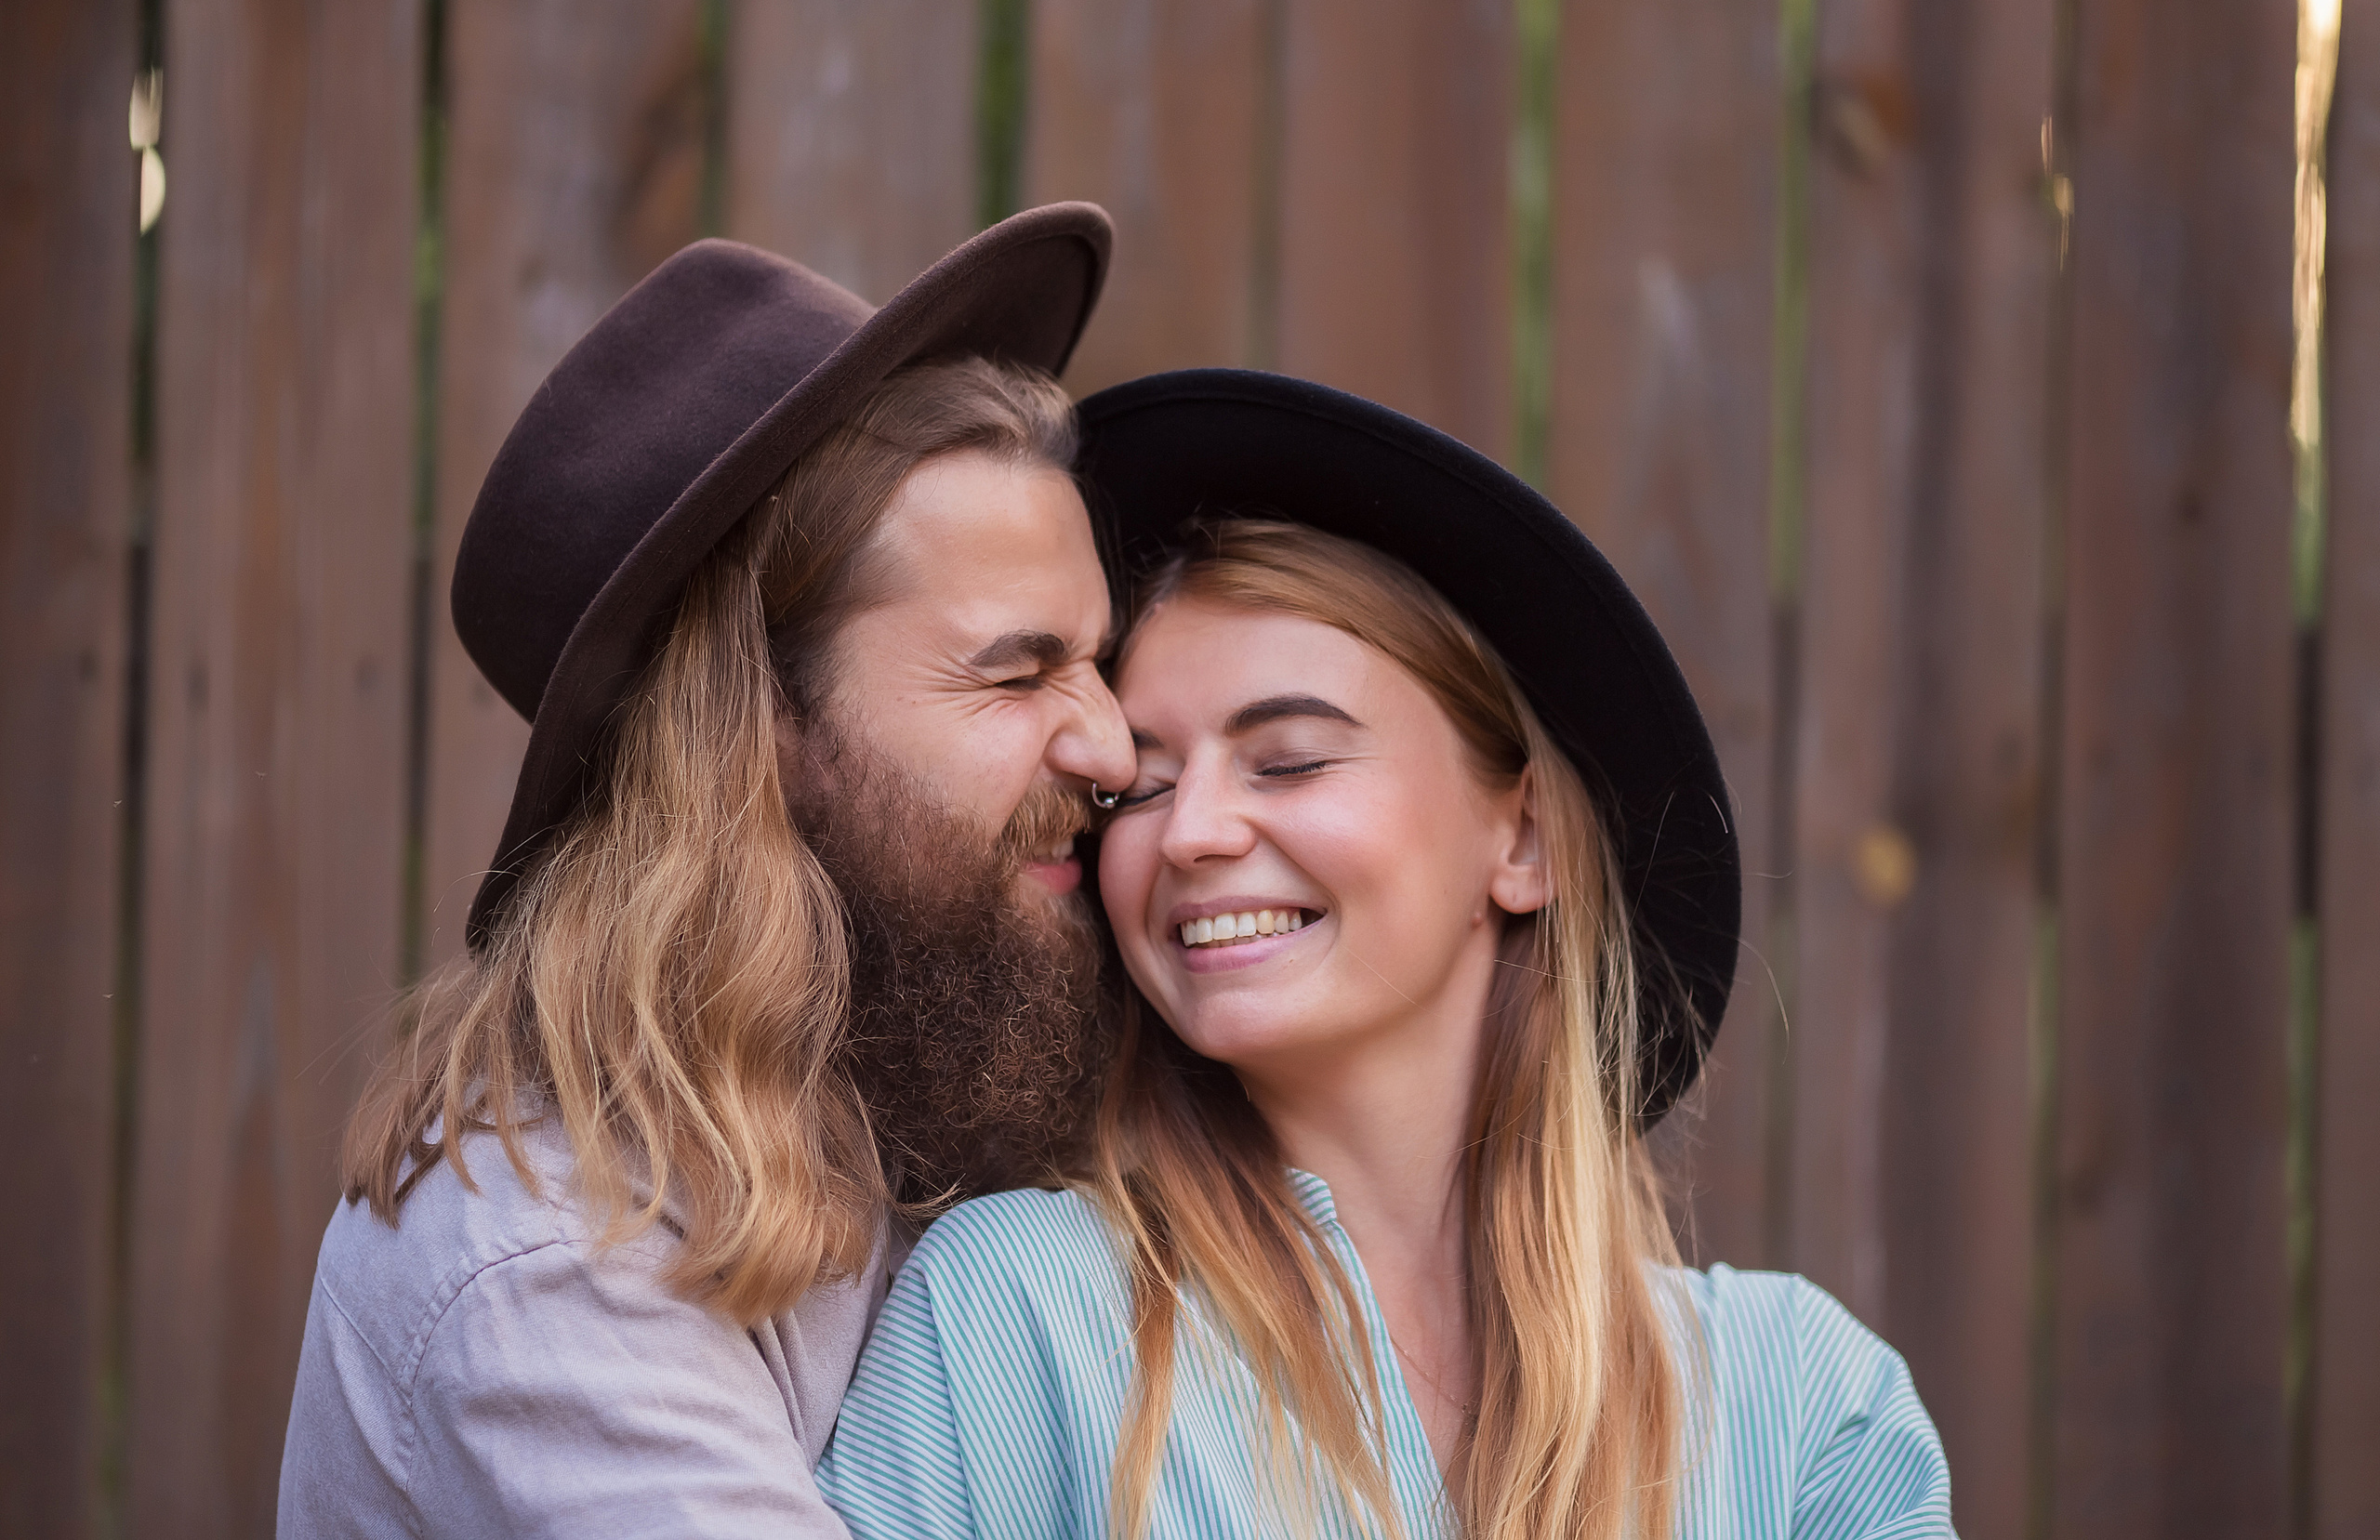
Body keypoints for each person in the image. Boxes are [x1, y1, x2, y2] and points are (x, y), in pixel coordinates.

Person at [818, 370, 1955, 1539]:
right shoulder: (1017, 1317)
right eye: (1143, 786)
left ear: (1521, 838)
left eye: (1291, 758)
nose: (1191, 832)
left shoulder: (1806, 1409)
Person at [277, 205, 1142, 1537]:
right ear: (761, 730)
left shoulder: (909, 1087)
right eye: (1019, 671)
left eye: (1099, 660)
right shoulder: (554, 1250)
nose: (1114, 744)